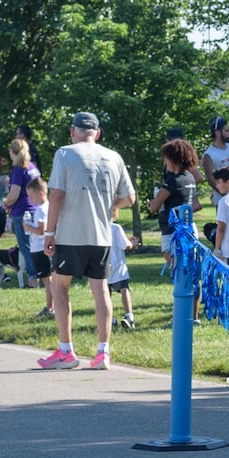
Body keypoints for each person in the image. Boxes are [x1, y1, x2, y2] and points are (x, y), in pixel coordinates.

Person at [38, 111, 136, 371]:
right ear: (98, 133)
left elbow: (56, 194)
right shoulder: (113, 157)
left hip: (71, 234)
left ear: (73, 131)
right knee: (100, 289)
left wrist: (49, 233)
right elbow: (130, 198)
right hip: (101, 235)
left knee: (59, 287)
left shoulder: (65, 153)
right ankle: (103, 351)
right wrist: (109, 204)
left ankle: (66, 350)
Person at [146, 137, 199, 273]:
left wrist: (151, 204)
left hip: (172, 232)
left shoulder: (173, 181)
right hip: (188, 228)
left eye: (166, 158)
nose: (165, 162)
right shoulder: (190, 177)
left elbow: (155, 207)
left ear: (173, 159)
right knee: (188, 271)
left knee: (177, 272)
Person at [3, 139, 41, 288]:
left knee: (26, 248)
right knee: (36, 245)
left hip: (22, 212)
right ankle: (41, 275)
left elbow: (14, 194)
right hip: (35, 209)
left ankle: (33, 279)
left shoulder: (19, 169)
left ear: (13, 152)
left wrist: (5, 204)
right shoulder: (32, 167)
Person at [23, 177, 55, 319]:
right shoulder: (48, 207)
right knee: (48, 278)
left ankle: (50, 307)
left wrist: (28, 227)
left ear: (41, 193)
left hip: (39, 247)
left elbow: (41, 230)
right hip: (44, 247)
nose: (30, 199)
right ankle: (52, 305)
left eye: (31, 196)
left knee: (47, 280)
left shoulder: (40, 210)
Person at [105, 216, 136, 332]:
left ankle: (110, 318)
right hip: (119, 266)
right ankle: (129, 316)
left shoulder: (98, 228)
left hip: (104, 266)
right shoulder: (116, 228)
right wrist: (133, 242)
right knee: (124, 289)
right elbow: (126, 245)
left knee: (106, 294)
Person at [202, 116, 229, 203]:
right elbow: (211, 179)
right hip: (222, 200)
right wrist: (226, 195)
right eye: (226, 130)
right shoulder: (209, 154)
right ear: (217, 133)